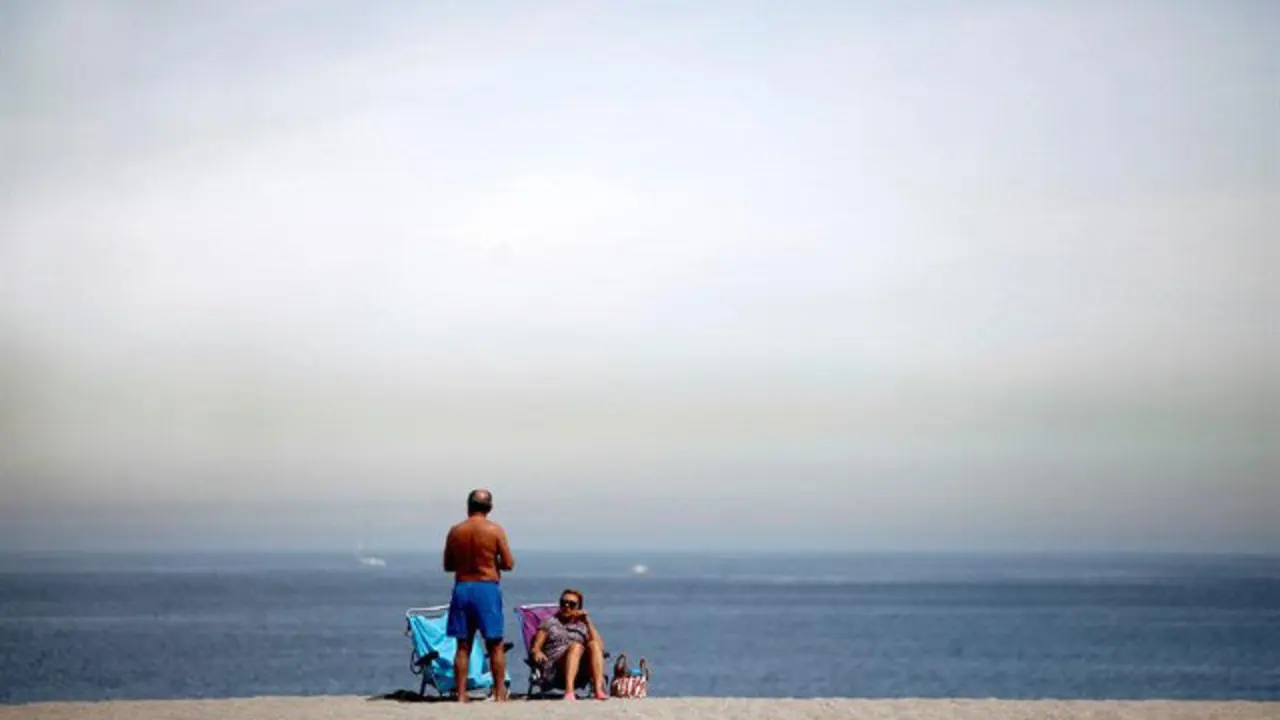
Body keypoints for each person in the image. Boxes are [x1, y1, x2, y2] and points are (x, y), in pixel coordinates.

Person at [442, 488, 514, 702]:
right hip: (486, 586)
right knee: (495, 644)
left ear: (468, 506)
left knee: (462, 645)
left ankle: (462, 695)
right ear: (489, 508)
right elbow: (509, 563)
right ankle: (500, 693)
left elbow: (448, 565)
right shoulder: (495, 530)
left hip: (463, 586)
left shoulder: (455, 531)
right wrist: (491, 563)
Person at [529, 588, 609, 701]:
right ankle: (569, 691)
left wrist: (587, 622)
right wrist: (537, 652)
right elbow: (535, 647)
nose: (566, 606)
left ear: (578, 608)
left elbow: (600, 647)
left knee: (593, 644)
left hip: (580, 672)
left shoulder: (582, 626)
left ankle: (598, 690)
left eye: (572, 604)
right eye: (563, 603)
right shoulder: (549, 622)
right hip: (555, 670)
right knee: (576, 646)